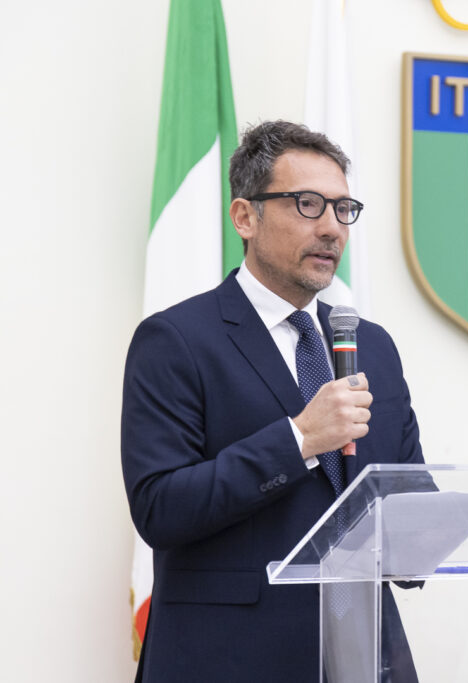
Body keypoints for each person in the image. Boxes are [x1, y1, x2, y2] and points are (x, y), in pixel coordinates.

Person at [122, 120, 424, 682]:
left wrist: (431, 532)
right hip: (230, 659)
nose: (332, 228)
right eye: (308, 205)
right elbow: (160, 508)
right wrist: (300, 439)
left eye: (343, 209)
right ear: (245, 217)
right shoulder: (177, 340)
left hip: (363, 655)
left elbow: (406, 494)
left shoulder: (372, 345)